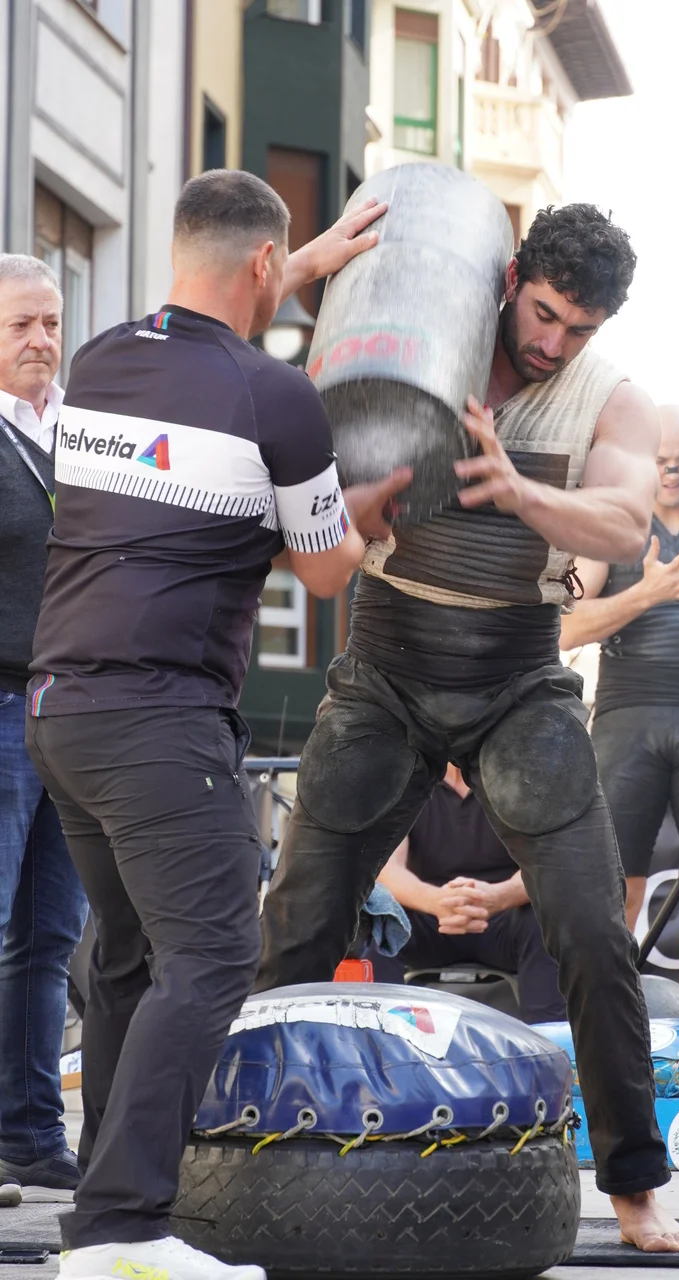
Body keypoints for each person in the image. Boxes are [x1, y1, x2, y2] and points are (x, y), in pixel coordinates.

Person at [255, 204, 679, 1254]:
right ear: (510, 280)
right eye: (544, 314)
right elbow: (295, 394)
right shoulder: (424, 339)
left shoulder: (612, 398)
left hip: (517, 674)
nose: (554, 342)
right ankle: (246, 1148)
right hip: (389, 658)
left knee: (592, 925)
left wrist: (521, 491)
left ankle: (635, 1187)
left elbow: (623, 522)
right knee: (304, 913)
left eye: (579, 328)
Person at [26, 169, 408, 1280]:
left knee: (129, 959)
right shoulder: (275, 396)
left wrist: (307, 258)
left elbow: (194, 493)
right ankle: (123, 1225)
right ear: (263, 265)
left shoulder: (103, 360)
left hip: (62, 709)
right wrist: (370, 524)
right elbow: (325, 567)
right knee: (212, 954)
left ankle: (103, 1210)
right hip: (160, 717)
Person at [560, 404, 679, 1017]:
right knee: (614, 897)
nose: (670, 472)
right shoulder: (617, 527)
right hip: (629, 719)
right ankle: (607, 1045)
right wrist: (645, 594)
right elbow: (564, 628)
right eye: (659, 461)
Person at [0, 255, 88, 1208]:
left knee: (48, 936)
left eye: (51, 322)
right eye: (20, 324)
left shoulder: (78, 432)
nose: (41, 340)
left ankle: (28, 1136)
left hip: (71, 711)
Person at [377, 764, 564, 1023]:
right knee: (379, 917)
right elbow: (387, 869)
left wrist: (498, 897)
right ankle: (377, 1032)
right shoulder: (404, 779)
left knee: (548, 917)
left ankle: (547, 1034)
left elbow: (544, 863)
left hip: (506, 918)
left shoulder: (523, 778)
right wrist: (436, 901)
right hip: (428, 918)